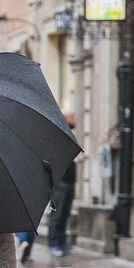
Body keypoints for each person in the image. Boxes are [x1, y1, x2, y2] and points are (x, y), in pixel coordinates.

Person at [49, 111, 83, 258]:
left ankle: (62, 241)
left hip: (69, 179)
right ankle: (54, 243)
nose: (74, 119)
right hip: (60, 181)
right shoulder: (58, 134)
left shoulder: (69, 134)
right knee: (57, 214)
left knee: (65, 214)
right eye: (72, 117)